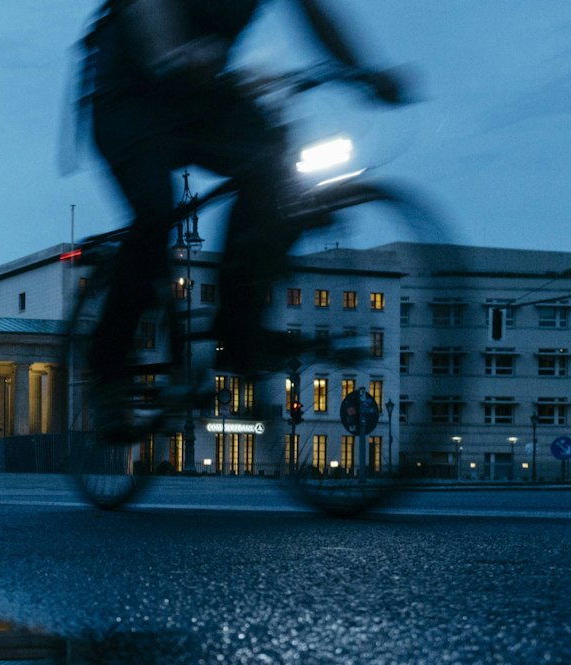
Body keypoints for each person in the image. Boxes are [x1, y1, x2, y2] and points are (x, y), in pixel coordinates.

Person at [82, 0, 400, 437]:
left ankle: (238, 325)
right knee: (155, 213)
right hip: (128, 92)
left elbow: (317, 14)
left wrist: (364, 72)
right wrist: (173, 54)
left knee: (274, 165)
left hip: (198, 94)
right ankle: (108, 371)